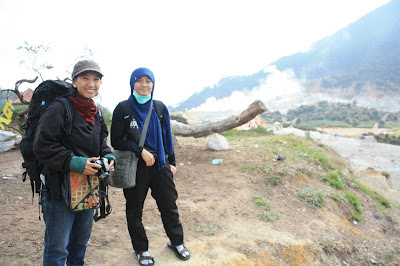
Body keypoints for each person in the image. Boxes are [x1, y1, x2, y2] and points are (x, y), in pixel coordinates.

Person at [33, 60, 116, 266]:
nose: (91, 84)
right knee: (58, 250)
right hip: (58, 189)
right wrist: (76, 162)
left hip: (87, 188)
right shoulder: (60, 108)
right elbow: (42, 145)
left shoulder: (95, 112)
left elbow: (102, 143)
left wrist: (109, 157)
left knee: (79, 244)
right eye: (85, 78)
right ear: (74, 81)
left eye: (96, 79)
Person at [111, 67, 190, 265]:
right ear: (132, 84)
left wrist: (171, 162)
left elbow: (167, 138)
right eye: (140, 81)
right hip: (135, 166)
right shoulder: (123, 109)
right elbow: (117, 141)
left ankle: (176, 242)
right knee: (135, 209)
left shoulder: (160, 108)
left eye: (148, 81)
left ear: (153, 84)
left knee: (169, 205)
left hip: (160, 164)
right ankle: (141, 249)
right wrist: (140, 151)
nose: (144, 85)